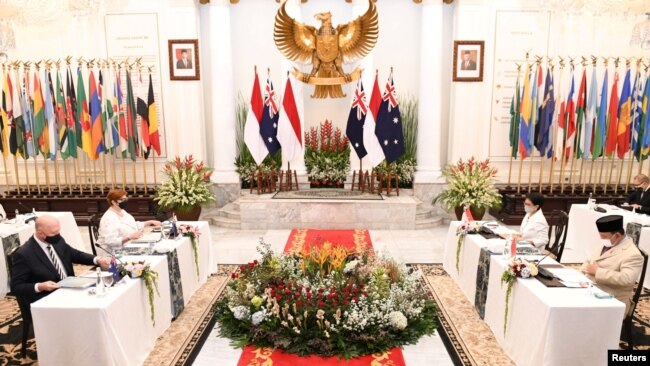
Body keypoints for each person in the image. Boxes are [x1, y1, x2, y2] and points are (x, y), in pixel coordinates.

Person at [10, 215, 111, 304]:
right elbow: (16, 287)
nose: (58, 235)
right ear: (40, 233)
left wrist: (97, 259)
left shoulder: (57, 240)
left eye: (58, 231)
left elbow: (74, 254)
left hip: (71, 289)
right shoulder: (24, 254)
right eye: (54, 233)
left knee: (104, 296)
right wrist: (40, 286)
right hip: (47, 297)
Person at [580, 215, 644, 315]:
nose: (601, 239)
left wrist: (597, 272)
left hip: (613, 298)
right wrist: (580, 276)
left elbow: (626, 279)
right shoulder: (607, 243)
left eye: (604, 236)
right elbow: (589, 261)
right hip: (592, 289)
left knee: (577, 311)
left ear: (617, 236)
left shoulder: (633, 254)